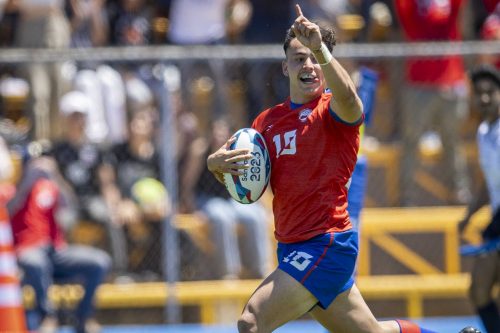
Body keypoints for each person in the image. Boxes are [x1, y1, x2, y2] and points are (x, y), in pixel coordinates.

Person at [207, 5, 479, 333]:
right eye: (298, 58)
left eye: (314, 58)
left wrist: (321, 48)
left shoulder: (334, 111)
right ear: (285, 67)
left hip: (325, 244)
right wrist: (217, 165)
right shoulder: (266, 123)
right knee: (372, 332)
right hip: (291, 245)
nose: (307, 65)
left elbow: (350, 97)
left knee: (251, 320)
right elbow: (252, 186)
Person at [7, 155, 111, 333]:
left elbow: (70, 213)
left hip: (55, 252)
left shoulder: (51, 189)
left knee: (100, 262)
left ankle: (82, 318)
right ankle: (48, 317)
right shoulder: (13, 190)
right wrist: (26, 183)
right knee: (35, 262)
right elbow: (8, 211)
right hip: (27, 252)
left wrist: (56, 177)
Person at [394, 0, 471, 206]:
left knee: (453, 141)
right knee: (411, 141)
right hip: (418, 85)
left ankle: (459, 191)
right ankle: (407, 197)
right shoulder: (411, 5)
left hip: (451, 82)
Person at [190, 118, 271, 279]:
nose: (218, 135)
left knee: (255, 215)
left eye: (222, 131)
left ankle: (260, 270)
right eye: (215, 131)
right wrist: (191, 208)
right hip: (205, 198)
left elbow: (253, 180)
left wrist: (266, 207)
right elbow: (187, 183)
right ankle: (229, 272)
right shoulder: (200, 151)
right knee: (222, 216)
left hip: (231, 199)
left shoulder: (239, 150)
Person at [458, 65, 500, 333]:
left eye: (490, 92)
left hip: (497, 225)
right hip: (497, 223)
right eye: (478, 93)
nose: (483, 98)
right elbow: (489, 181)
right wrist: (470, 215)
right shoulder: (484, 131)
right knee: (479, 291)